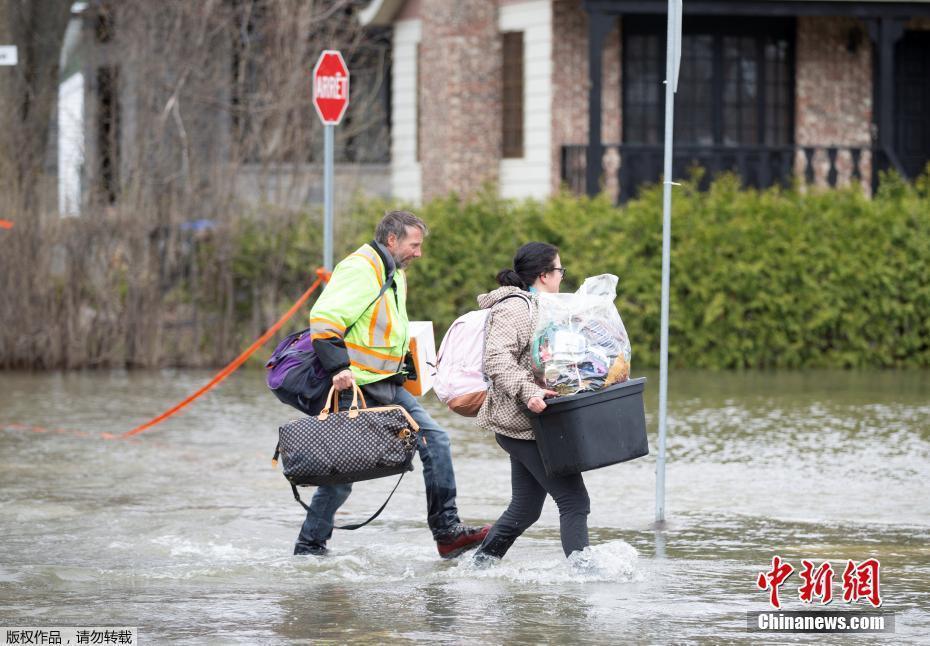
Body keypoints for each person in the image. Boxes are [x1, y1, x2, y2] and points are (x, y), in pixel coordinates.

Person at [294, 210, 489, 558]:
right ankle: (310, 547)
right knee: (343, 476)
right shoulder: (360, 268)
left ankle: (447, 532)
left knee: (436, 441)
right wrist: (339, 368)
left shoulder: (393, 272)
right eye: (414, 245)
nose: (419, 253)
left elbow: (385, 329)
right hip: (356, 386)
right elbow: (324, 320)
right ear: (392, 240)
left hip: (388, 384)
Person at [472, 242, 591, 562]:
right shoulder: (515, 308)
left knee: (525, 508)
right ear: (543, 275)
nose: (561, 278)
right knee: (574, 501)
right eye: (559, 271)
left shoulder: (543, 308)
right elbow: (496, 360)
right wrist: (529, 392)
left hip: (533, 424)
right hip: (521, 422)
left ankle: (478, 568)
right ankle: (584, 582)